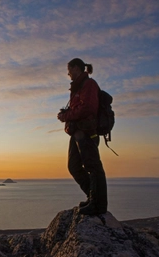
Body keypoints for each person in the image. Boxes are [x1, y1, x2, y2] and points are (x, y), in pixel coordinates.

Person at [57, 58, 108, 215]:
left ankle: (98, 204)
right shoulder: (77, 88)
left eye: (70, 69)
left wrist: (66, 116)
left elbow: (88, 109)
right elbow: (80, 108)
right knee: (74, 167)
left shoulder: (89, 85)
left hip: (87, 132)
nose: (68, 73)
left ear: (77, 68)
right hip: (77, 132)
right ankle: (92, 197)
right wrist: (67, 115)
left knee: (93, 167)